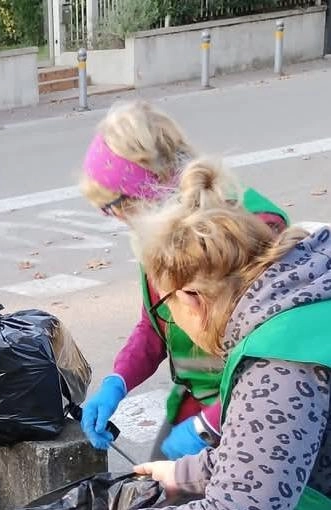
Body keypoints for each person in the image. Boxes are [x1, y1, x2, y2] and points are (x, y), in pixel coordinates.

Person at [77, 101, 288, 461]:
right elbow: (157, 322)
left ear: (148, 187)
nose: (110, 217)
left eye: (113, 204)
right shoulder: (161, 232)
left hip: (255, 413)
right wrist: (118, 379)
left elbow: (280, 356)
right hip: (194, 407)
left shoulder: (257, 229)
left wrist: (213, 424)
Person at [131, 160, 331, 509]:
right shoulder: (303, 293)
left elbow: (239, 504)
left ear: (191, 297)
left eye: (165, 305)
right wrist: (186, 474)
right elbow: (266, 451)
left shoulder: (279, 359)